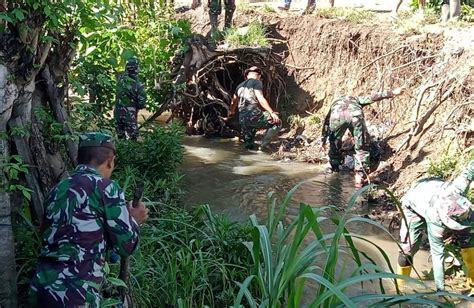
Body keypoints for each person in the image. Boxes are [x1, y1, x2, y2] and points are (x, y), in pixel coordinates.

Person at [29, 132, 149, 307]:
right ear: (110, 160)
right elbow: (127, 246)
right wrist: (134, 221)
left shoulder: (57, 190)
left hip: (41, 288)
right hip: (75, 293)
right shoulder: (106, 188)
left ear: (79, 158)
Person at [397, 161, 474, 294]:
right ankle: (401, 287)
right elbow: (438, 256)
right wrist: (441, 291)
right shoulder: (436, 221)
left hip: (438, 189)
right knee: (409, 248)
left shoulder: (459, 189)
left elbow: (470, 168)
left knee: (469, 239)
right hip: (415, 203)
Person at [321, 87, 403, 187]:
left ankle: (334, 169)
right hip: (355, 116)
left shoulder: (335, 104)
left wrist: (323, 141)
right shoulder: (356, 99)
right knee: (361, 148)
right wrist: (393, 93)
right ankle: (359, 178)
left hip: (337, 117)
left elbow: (326, 123)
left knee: (334, 144)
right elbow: (374, 97)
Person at [229, 66, 281, 151]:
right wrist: (272, 112)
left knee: (249, 147)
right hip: (253, 114)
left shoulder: (239, 86)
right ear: (259, 76)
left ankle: (249, 152)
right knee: (277, 122)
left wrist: (231, 111)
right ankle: (264, 146)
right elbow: (260, 98)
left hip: (242, 118)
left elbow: (234, 101)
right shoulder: (257, 82)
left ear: (246, 76)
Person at [114, 57, 147, 140]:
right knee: (132, 139)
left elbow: (118, 73)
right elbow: (141, 103)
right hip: (129, 115)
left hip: (117, 114)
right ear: (137, 69)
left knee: (120, 138)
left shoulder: (120, 79)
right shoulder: (138, 85)